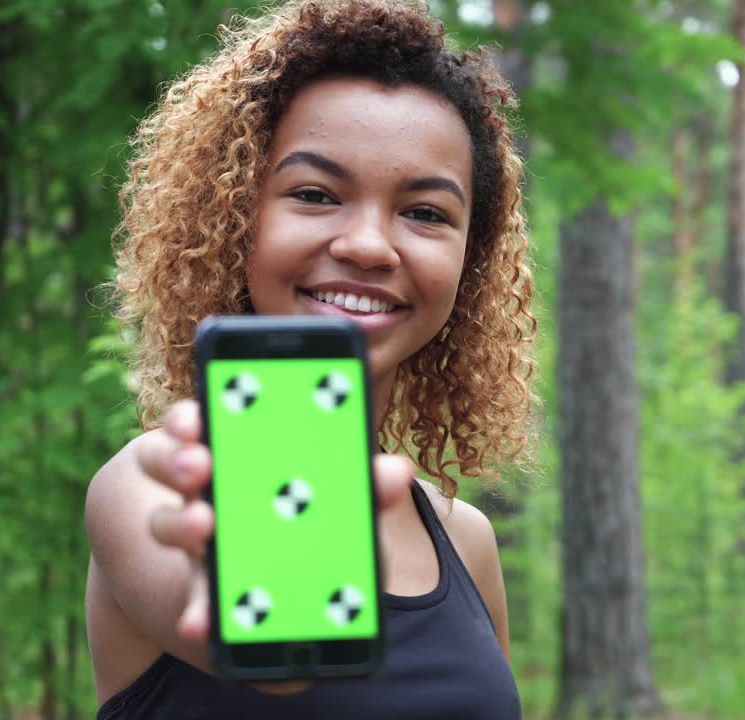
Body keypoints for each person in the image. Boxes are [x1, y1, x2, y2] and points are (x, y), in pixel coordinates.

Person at [83, 0, 536, 717]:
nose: (368, 245)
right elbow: (284, 659)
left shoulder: (465, 539)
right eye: (316, 194)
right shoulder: (149, 492)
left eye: (424, 212)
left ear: (468, 262)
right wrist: (240, 573)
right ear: (234, 218)